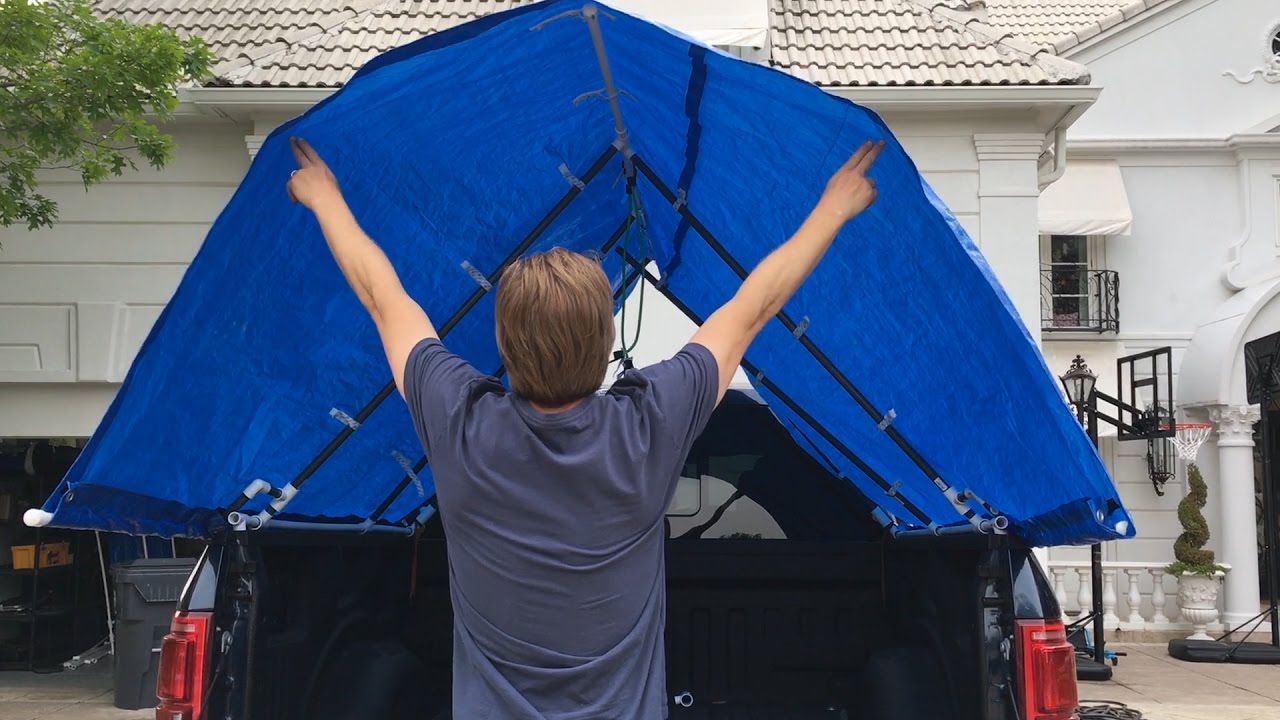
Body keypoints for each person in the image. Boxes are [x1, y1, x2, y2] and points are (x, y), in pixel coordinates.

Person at [286, 136, 883, 719]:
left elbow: (383, 298)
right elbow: (753, 307)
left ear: (501, 343)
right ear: (605, 347)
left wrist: (326, 199)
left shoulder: (460, 422)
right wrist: (834, 207)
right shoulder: (650, 423)